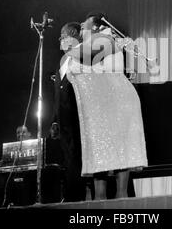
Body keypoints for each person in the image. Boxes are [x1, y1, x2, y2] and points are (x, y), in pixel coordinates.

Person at [65, 12, 148, 200]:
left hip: (118, 99)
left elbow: (84, 62)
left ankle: (118, 205)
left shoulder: (105, 38)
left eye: (84, 24)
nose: (81, 26)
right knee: (102, 151)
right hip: (107, 101)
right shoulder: (95, 43)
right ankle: (103, 204)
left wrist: (69, 49)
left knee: (119, 151)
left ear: (95, 26)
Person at [51, 22, 86, 202]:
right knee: (68, 159)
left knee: (78, 158)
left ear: (74, 36)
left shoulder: (83, 56)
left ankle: (77, 200)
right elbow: (58, 94)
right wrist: (55, 120)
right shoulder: (63, 61)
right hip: (64, 120)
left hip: (79, 117)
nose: (60, 40)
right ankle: (72, 197)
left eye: (63, 37)